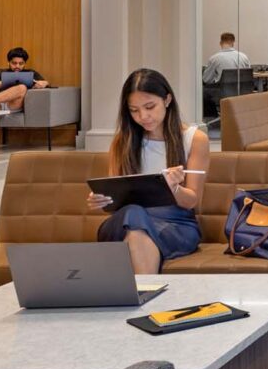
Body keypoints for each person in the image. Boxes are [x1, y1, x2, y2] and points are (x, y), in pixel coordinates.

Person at [86, 69, 208, 274]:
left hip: (176, 225)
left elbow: (192, 201)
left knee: (136, 231)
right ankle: (146, 296)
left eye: (150, 106)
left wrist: (174, 188)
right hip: (126, 220)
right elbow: (117, 202)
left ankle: (140, 296)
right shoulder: (122, 142)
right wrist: (101, 200)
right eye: (134, 110)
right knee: (134, 216)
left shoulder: (194, 139)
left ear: (167, 100)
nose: (143, 116)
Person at [202, 32, 250, 115]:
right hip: (242, 92)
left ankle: (213, 116)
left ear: (220, 43)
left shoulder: (214, 58)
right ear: (233, 43)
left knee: (202, 92)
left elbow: (206, 79)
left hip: (223, 93)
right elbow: (248, 76)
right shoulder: (244, 57)